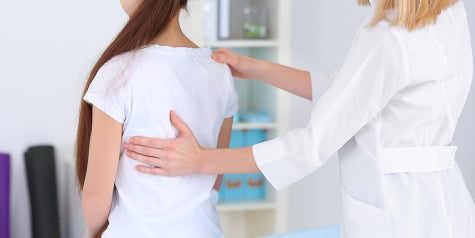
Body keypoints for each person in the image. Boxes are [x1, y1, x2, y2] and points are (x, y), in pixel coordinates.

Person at [124, 0, 475, 237]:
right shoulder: (447, 13)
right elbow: (352, 91)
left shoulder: (392, 38)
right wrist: (259, 68)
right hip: (447, 206)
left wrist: (201, 160)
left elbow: (310, 146)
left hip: (400, 215)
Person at [75, 0, 238, 237]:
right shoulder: (219, 71)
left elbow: (96, 196)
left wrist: (94, 234)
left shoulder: (118, 72)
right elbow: (214, 176)